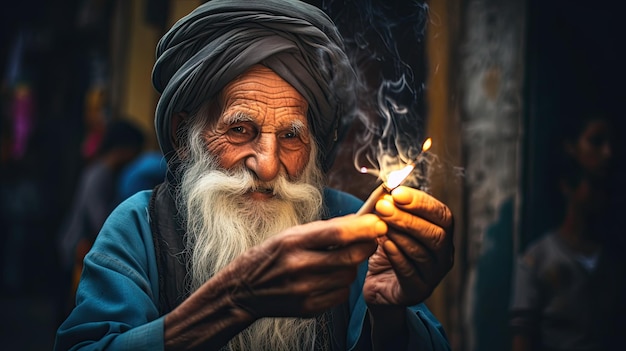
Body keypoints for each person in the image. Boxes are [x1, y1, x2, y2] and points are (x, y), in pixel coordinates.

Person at [54, 1, 455, 350]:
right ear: (183, 137)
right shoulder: (138, 227)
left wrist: (389, 317)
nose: (267, 164)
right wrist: (235, 300)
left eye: (291, 136)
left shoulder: (353, 227)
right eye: (240, 130)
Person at [509, 101, 626, 351]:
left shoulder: (613, 259)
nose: (608, 153)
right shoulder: (537, 261)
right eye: (596, 141)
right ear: (567, 186)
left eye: (603, 190)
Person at [56, 118, 145, 317]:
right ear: (125, 148)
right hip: (76, 249)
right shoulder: (101, 174)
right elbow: (98, 220)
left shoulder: (100, 171)